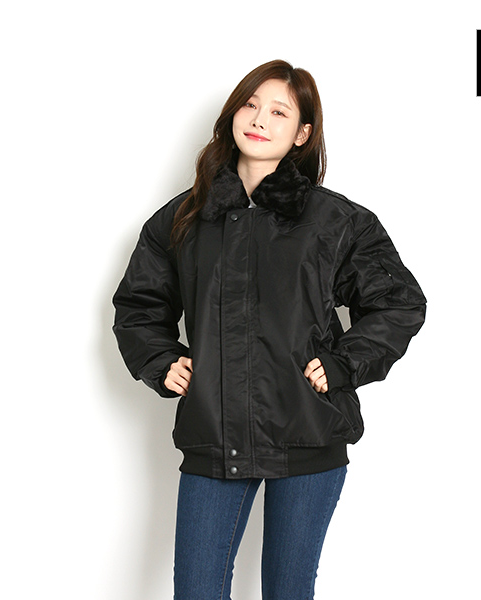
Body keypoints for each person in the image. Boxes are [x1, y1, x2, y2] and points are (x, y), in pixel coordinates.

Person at [112, 59, 427, 600]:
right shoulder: (183, 218)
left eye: (279, 111)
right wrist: (162, 361)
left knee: (288, 592)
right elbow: (138, 305)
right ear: (232, 115)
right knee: (197, 592)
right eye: (250, 104)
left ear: (302, 133)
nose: (259, 118)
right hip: (214, 437)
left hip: (308, 433)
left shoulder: (335, 221)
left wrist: (343, 364)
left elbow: (398, 302)